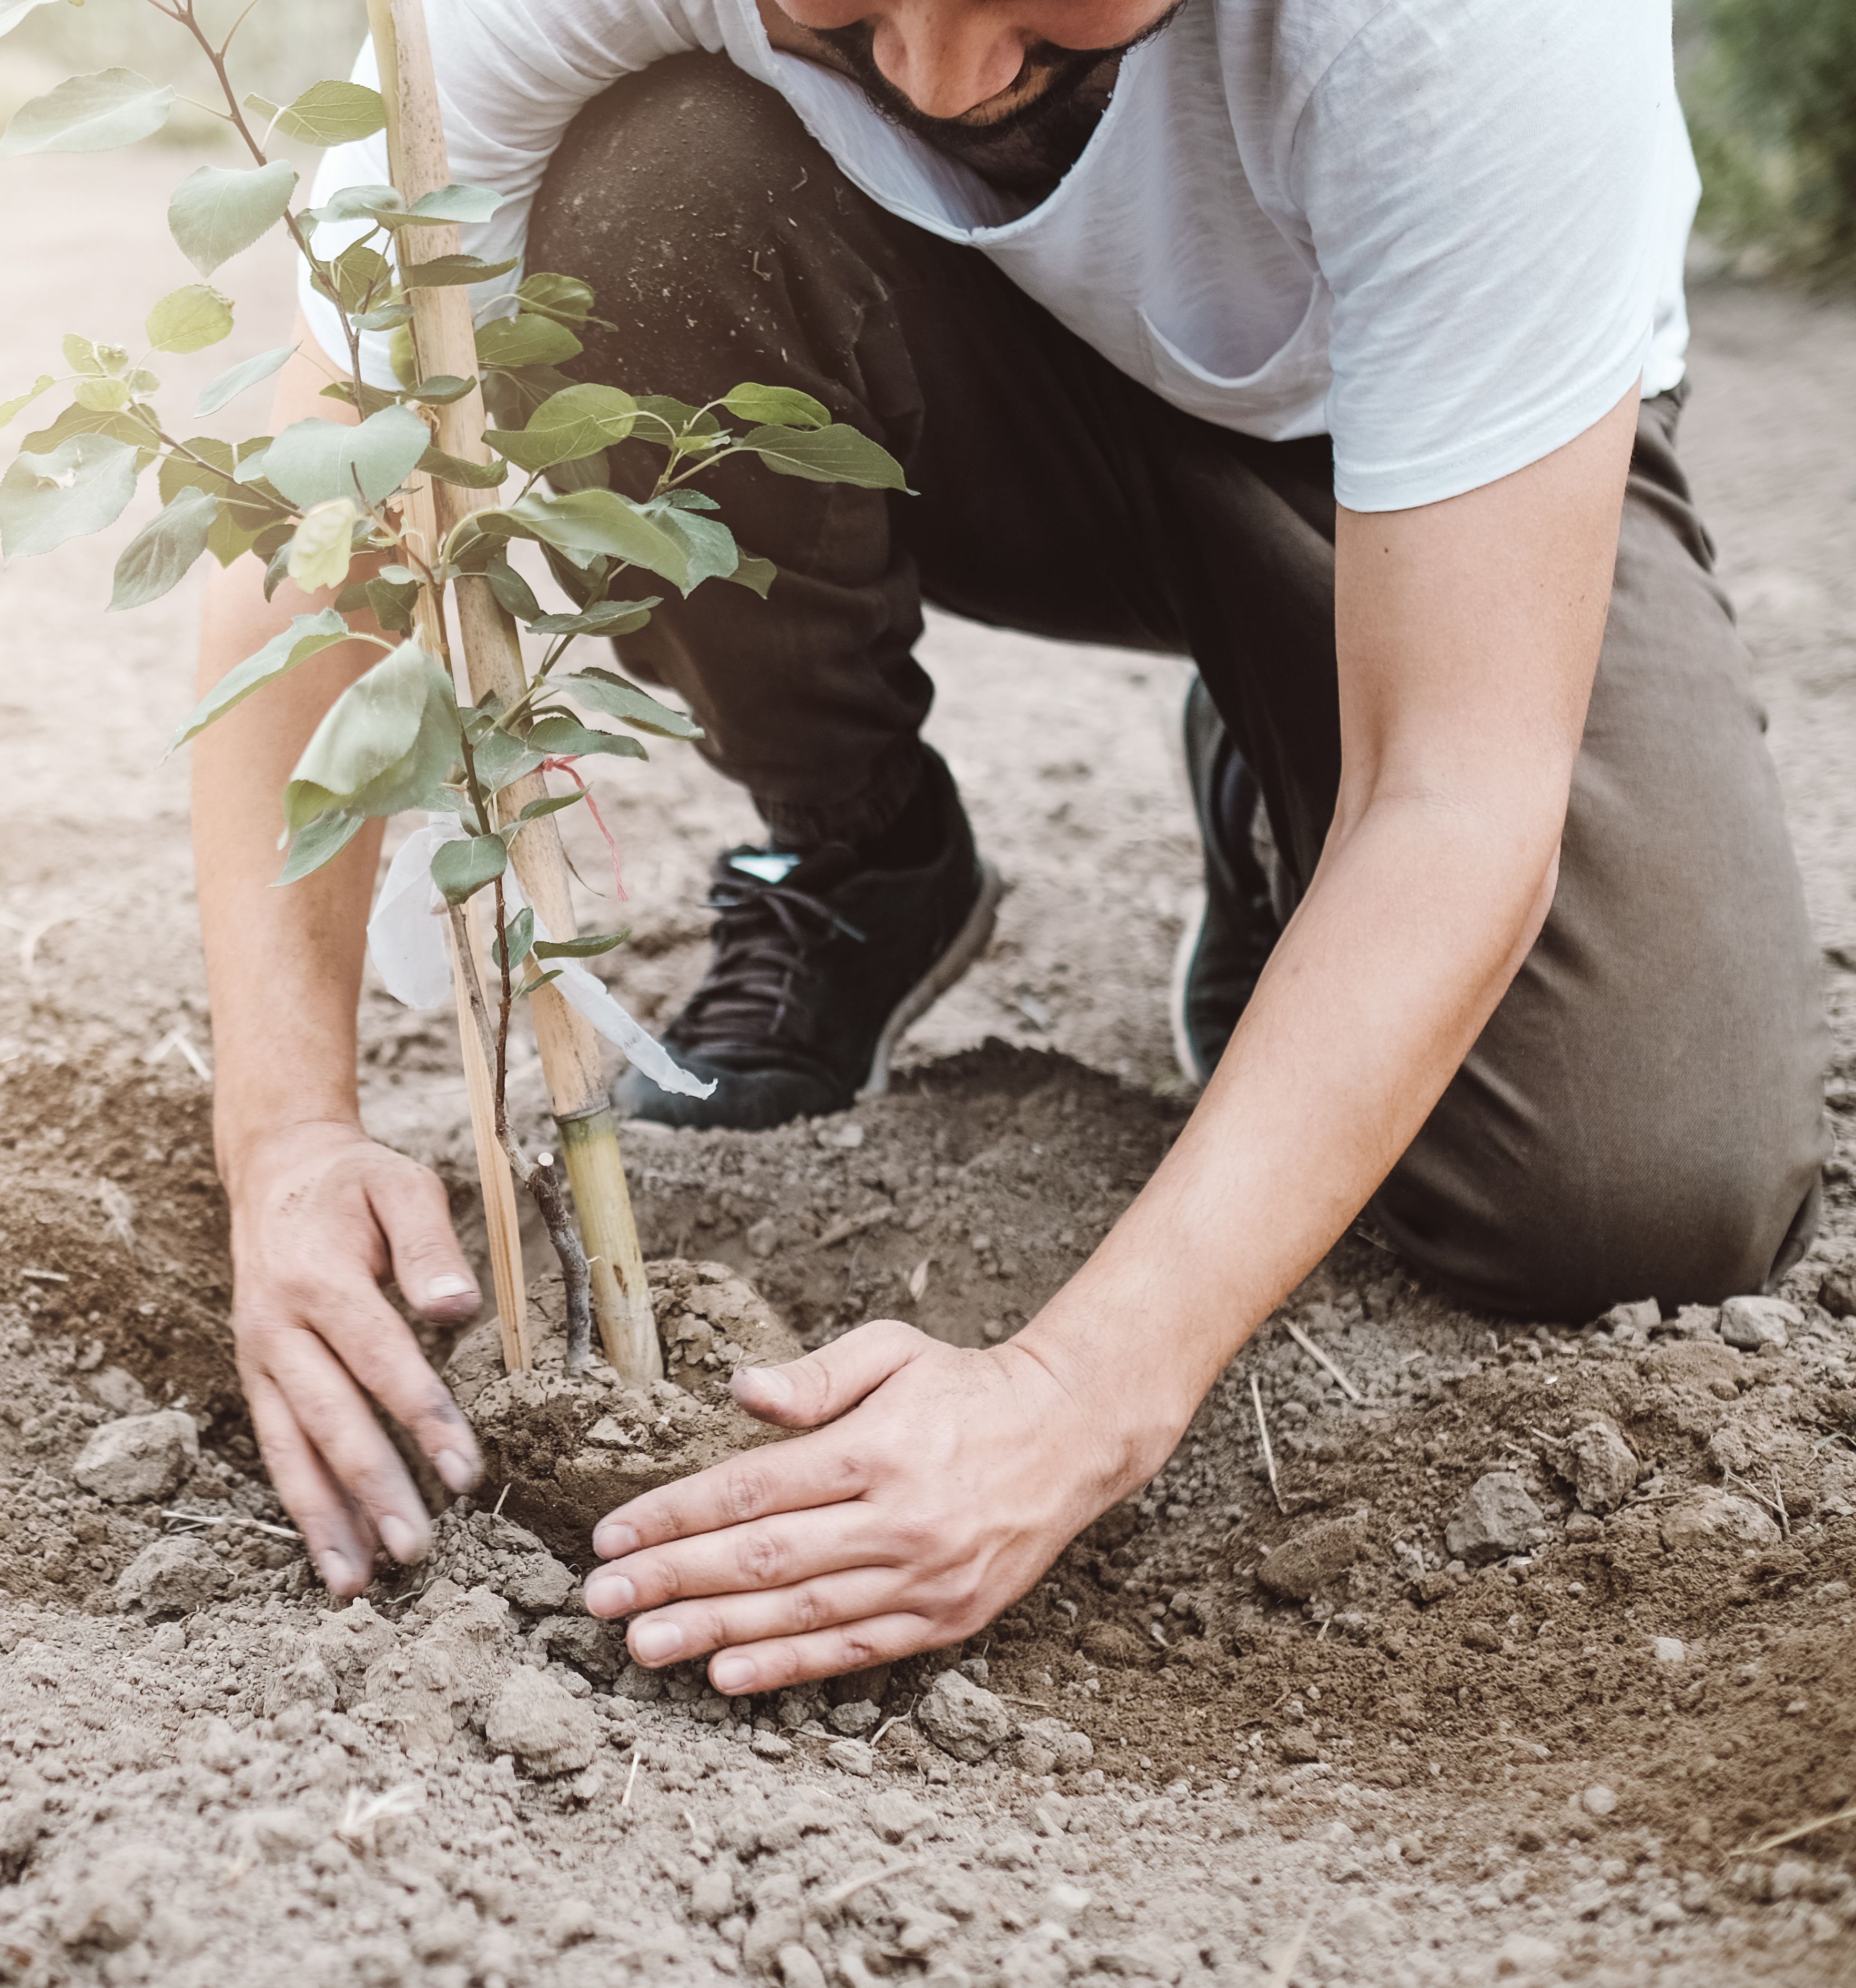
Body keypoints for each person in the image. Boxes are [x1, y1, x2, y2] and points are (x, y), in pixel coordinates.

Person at [187, 0, 1830, 1694]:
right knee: (637, 207)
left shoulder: (1478, 35)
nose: (944, 79)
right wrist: (287, 1137)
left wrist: (1074, 1403)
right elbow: (323, 503)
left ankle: (1294, 750)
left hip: (1412, 464)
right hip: (953, 365)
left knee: (1637, 1192)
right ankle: (863, 856)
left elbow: (1461, 787)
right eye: (844, 5)